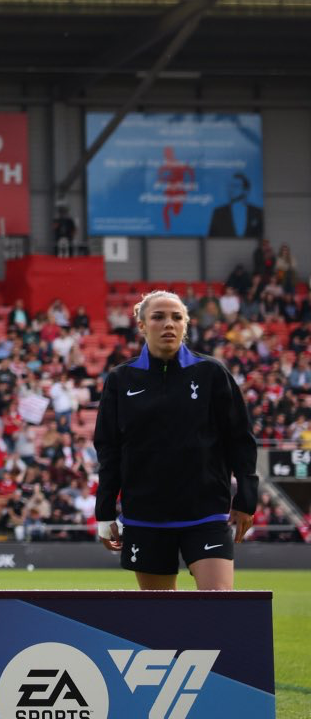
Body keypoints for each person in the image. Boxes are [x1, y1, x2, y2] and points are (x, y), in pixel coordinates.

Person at [93, 290, 259, 591]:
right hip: (145, 516)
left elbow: (240, 439)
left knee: (219, 603)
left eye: (176, 317)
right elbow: (109, 449)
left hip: (205, 511)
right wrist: (104, 512)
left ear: (186, 324)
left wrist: (247, 495)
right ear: (142, 325)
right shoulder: (120, 380)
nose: (168, 323)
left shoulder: (212, 372)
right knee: (162, 620)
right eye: (158, 317)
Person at [207, 172, 263, 238]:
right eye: (230, 186)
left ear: (245, 190)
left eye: (236, 186)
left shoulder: (257, 213)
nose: (231, 189)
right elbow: (212, 237)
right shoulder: (218, 213)